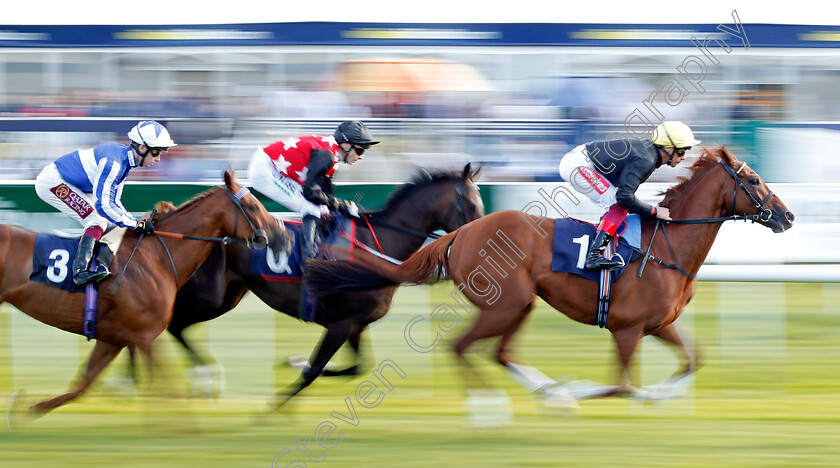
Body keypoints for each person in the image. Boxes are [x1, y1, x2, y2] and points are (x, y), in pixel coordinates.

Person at [247, 120, 378, 316]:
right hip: (264, 170)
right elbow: (312, 193)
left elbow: (324, 194)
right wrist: (342, 206)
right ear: (345, 145)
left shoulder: (332, 154)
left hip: (273, 166)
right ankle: (309, 264)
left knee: (321, 210)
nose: (361, 156)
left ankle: (316, 251)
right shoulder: (327, 154)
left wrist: (338, 208)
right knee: (311, 208)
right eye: (359, 150)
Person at [35, 120, 175, 285]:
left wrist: (135, 222)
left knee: (110, 222)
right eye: (156, 152)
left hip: (72, 183)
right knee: (96, 219)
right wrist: (134, 224)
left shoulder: (124, 162)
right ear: (142, 148)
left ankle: (101, 264)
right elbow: (104, 206)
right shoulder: (114, 164)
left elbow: (115, 203)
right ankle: (80, 271)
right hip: (53, 182)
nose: (158, 158)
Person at [558, 121, 700, 271]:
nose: (684, 157)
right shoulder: (646, 159)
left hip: (580, 159)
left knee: (619, 206)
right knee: (618, 206)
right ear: (668, 147)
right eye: (682, 151)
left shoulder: (648, 154)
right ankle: (594, 256)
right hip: (578, 165)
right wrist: (654, 211)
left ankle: (603, 240)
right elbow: (624, 197)